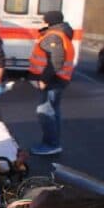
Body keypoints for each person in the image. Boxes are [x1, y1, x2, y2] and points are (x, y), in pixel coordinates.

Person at [28, 10, 75, 155]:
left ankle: (51, 144)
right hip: (59, 79)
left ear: (49, 22)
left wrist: (44, 79)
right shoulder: (61, 33)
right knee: (53, 112)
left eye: (44, 20)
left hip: (53, 80)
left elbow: (56, 61)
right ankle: (53, 142)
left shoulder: (53, 36)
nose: (42, 22)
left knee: (45, 112)